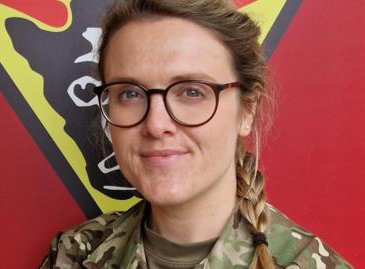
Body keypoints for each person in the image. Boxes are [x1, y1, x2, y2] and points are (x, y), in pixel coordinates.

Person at [40, 0, 352, 268]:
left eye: (191, 91)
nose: (155, 123)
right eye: (131, 94)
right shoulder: (75, 254)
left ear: (247, 110)